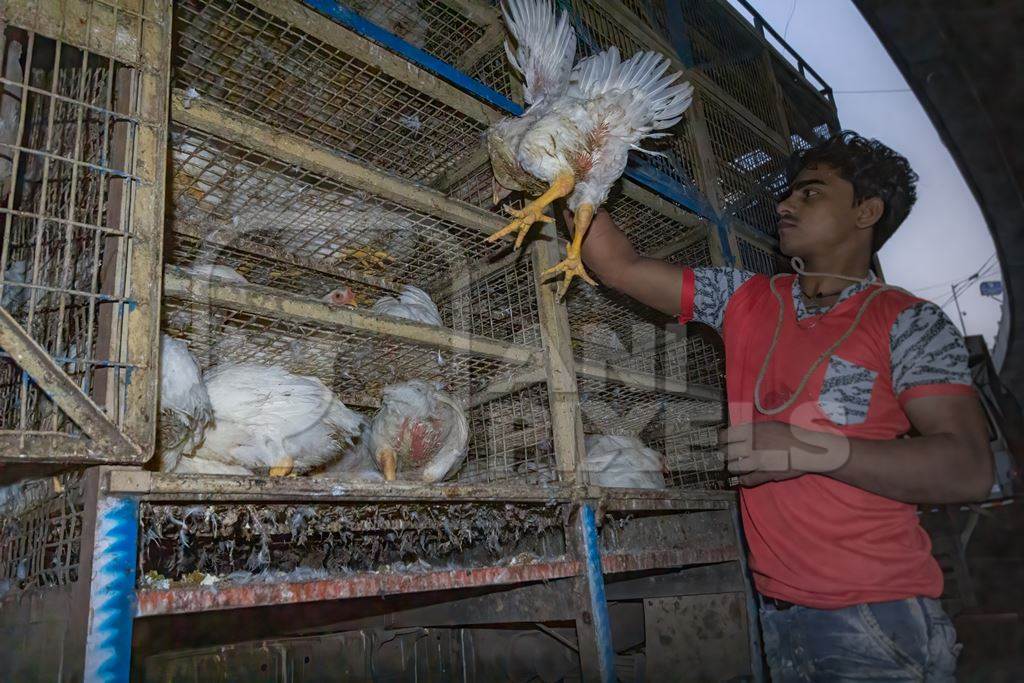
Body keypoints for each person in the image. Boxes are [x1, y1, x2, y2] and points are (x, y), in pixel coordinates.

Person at [578, 131, 993, 681]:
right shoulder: (745, 297)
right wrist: (579, 175)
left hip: (877, 621)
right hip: (783, 621)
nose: (784, 204)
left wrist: (808, 448)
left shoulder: (906, 321)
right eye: (789, 193)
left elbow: (967, 470)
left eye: (811, 193)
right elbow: (619, 267)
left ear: (866, 211)